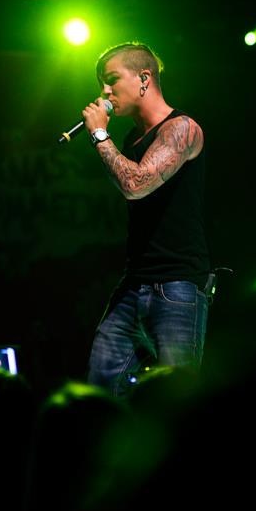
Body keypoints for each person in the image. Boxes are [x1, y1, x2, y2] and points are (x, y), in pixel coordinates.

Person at [83, 42, 211, 399]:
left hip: (177, 285)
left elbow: (136, 185)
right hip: (134, 282)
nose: (104, 92)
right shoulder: (132, 138)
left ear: (144, 78)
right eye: (101, 83)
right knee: (99, 389)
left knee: (177, 398)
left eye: (111, 80)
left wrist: (99, 135)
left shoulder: (182, 128)